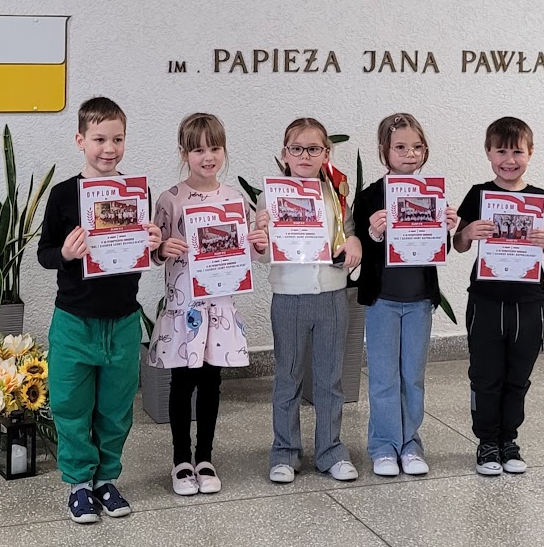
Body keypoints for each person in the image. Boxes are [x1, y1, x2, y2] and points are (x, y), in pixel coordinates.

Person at [37, 97, 162, 523]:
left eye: (118, 139)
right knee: (70, 405)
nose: (109, 148)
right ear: (80, 140)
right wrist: (65, 254)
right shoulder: (62, 195)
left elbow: (144, 250)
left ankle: (106, 479)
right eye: (99, 139)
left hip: (123, 319)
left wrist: (152, 243)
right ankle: (78, 484)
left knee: (116, 407)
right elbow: (44, 253)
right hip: (74, 321)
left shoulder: (137, 192)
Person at [147, 113, 269, 496]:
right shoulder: (170, 199)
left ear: (224, 150)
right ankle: (181, 460)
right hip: (184, 309)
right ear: (184, 153)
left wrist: (259, 243)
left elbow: (250, 251)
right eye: (198, 150)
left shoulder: (235, 199)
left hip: (220, 309)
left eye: (214, 148)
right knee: (182, 383)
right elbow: (152, 252)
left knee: (212, 382)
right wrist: (163, 249)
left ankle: (205, 457)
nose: (208, 157)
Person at [454, 116, 544, 476]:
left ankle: (509, 441)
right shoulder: (478, 195)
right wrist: (467, 232)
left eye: (517, 152)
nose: (509, 159)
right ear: (488, 152)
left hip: (529, 302)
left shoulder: (539, 198)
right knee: (485, 375)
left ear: (530, 153)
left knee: (519, 376)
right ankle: (487, 442)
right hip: (486, 299)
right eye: (501, 151)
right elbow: (458, 244)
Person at [353, 114, 458, 477]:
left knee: (412, 375)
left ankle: (410, 443)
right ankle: (383, 446)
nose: (409, 154)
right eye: (400, 147)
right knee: (384, 377)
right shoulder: (370, 196)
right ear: (384, 151)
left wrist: (446, 228)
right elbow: (360, 246)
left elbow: (439, 249)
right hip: (382, 300)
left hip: (419, 301)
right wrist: (374, 233)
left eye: (416, 147)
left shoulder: (432, 194)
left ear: (424, 150)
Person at [260, 117, 362, 484]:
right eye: (297, 149)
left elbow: (348, 234)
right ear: (285, 154)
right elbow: (262, 253)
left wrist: (355, 243)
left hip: (331, 296)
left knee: (330, 379)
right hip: (288, 297)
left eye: (313, 149)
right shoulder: (270, 197)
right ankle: (284, 452)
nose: (305, 155)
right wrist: (261, 236)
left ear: (326, 154)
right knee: (287, 378)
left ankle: (330, 450)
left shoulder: (335, 195)